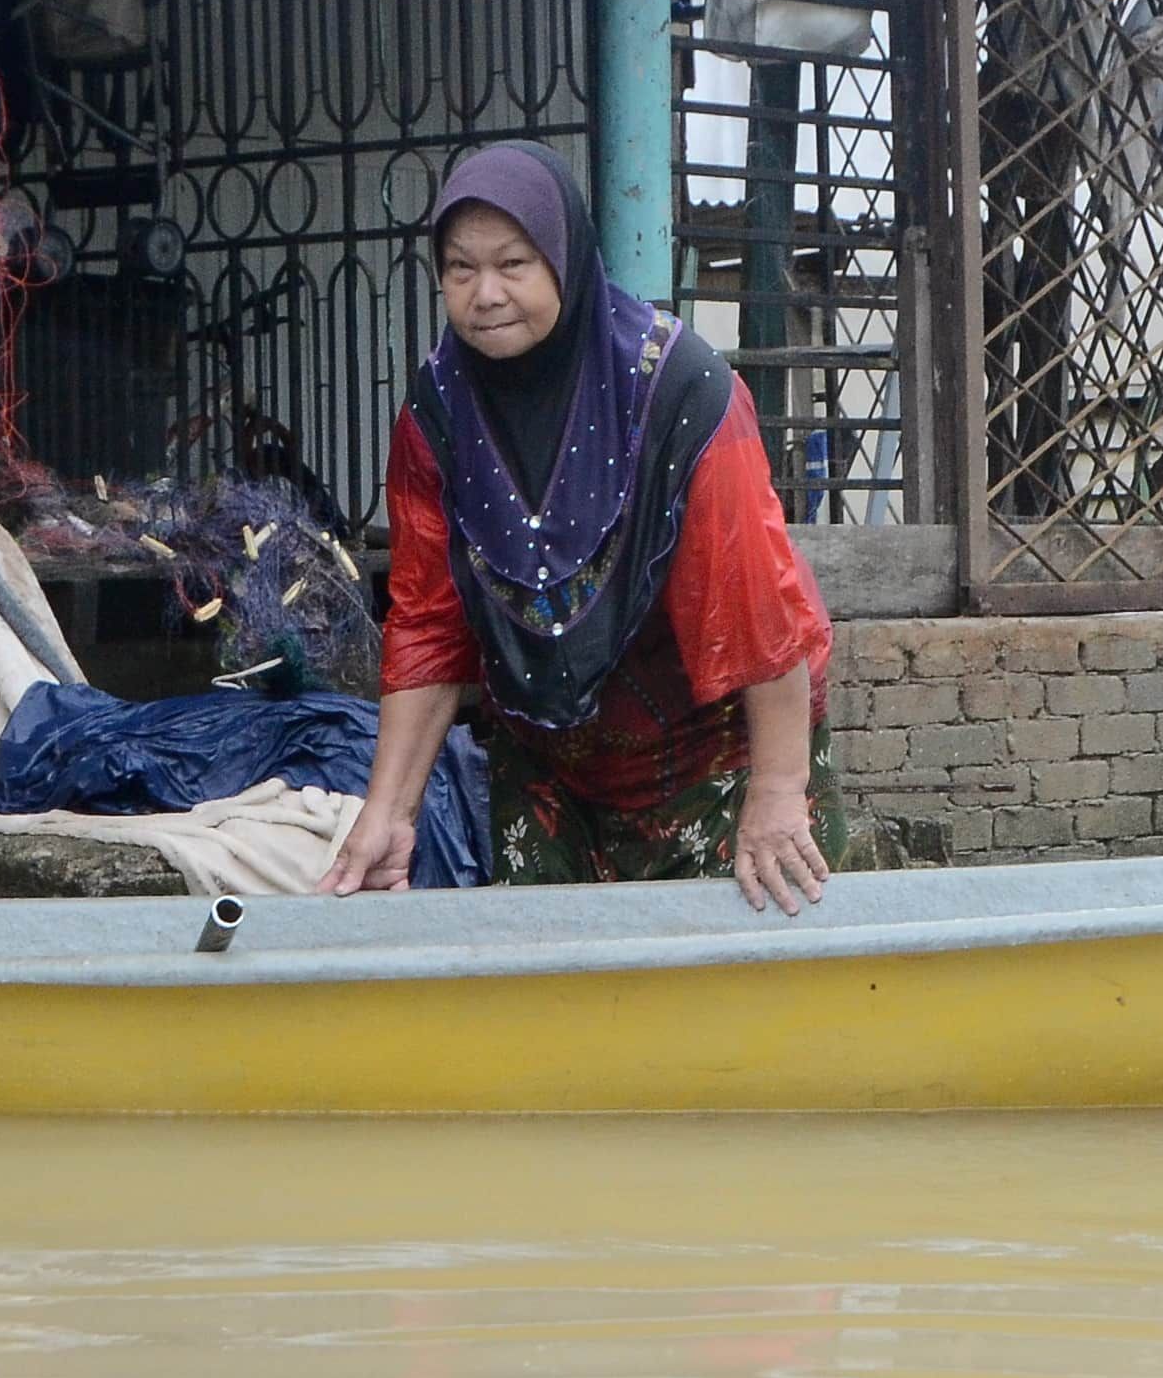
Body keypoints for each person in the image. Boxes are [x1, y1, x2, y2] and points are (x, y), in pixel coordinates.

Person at [318, 140, 840, 911]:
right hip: (550, 755)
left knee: (735, 1005)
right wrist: (388, 812)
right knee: (551, 999)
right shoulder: (437, 413)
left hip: (720, 756)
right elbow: (428, 623)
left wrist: (777, 788)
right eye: (460, 269)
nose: (485, 293)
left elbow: (756, 608)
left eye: (513, 264)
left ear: (565, 257)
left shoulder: (680, 393)